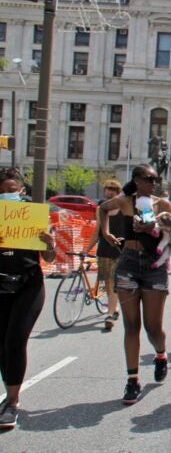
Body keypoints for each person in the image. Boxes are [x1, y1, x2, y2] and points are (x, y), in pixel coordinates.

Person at [98, 164, 171, 404]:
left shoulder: (163, 205)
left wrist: (155, 227)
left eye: (156, 179)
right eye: (148, 179)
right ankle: (132, 380)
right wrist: (105, 233)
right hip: (129, 264)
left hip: (154, 267)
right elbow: (102, 209)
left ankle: (161, 355)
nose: (153, 183)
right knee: (131, 325)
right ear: (136, 180)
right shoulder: (124, 201)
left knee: (153, 328)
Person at [0, 168, 57, 429]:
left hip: (28, 286)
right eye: (2, 191)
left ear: (22, 191)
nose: (8, 195)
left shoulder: (34, 217)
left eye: (12, 191)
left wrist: (49, 244)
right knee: (2, 343)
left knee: (15, 339)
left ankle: (12, 402)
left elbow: (49, 259)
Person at [84, 179, 123, 331]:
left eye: (112, 195)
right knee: (107, 282)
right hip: (104, 250)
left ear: (117, 195)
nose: (108, 199)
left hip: (120, 250)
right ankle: (114, 308)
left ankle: (110, 313)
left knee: (113, 282)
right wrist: (86, 249)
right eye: (107, 195)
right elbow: (97, 232)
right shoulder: (101, 209)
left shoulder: (123, 208)